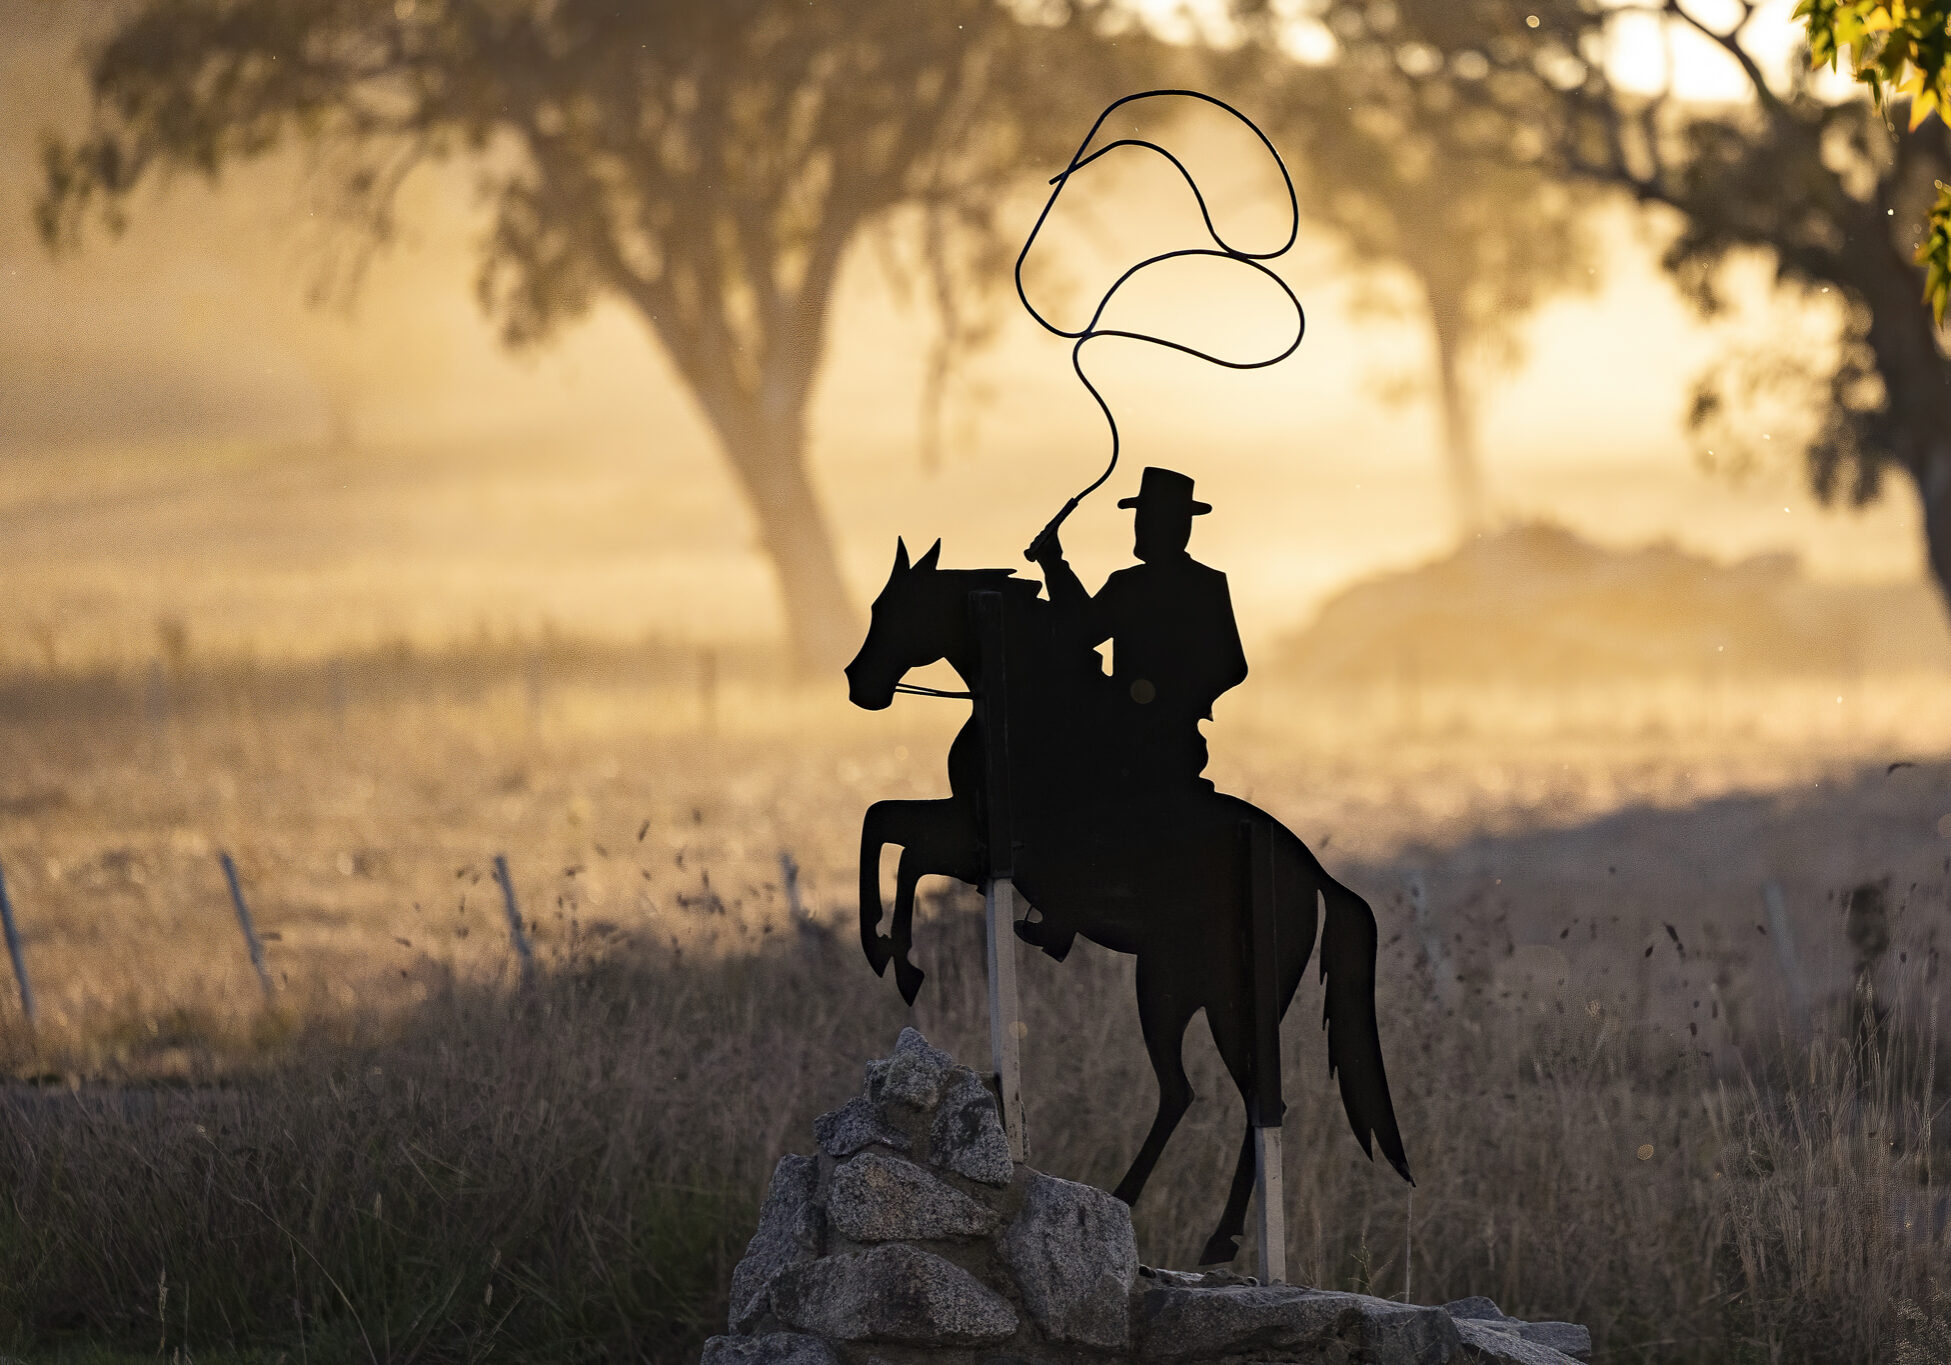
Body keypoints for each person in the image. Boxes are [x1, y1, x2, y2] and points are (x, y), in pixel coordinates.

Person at [1019, 465, 1249, 958]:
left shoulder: (1203, 586)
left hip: (1161, 738)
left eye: (1149, 521)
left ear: (1175, 527)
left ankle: (1066, 910)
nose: (1140, 531)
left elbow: (1231, 665)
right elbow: (1082, 630)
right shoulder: (1131, 584)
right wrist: (1055, 566)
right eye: (1139, 521)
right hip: (1126, 728)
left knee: (1083, 799)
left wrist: (1174, 700)